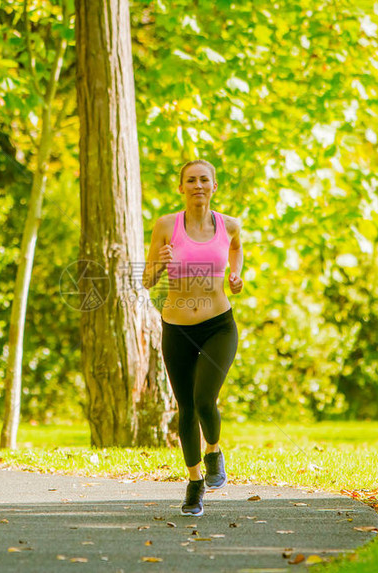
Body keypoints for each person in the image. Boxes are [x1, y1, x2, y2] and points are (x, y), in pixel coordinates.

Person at [142, 159, 244, 517]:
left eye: (204, 180)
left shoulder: (229, 225)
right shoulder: (166, 226)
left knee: (204, 399)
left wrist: (236, 276)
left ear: (214, 186)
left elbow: (235, 250)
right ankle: (194, 482)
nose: (198, 185)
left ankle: (214, 450)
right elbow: (147, 280)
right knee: (185, 407)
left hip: (219, 325)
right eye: (191, 180)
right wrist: (160, 262)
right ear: (180, 187)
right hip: (177, 327)